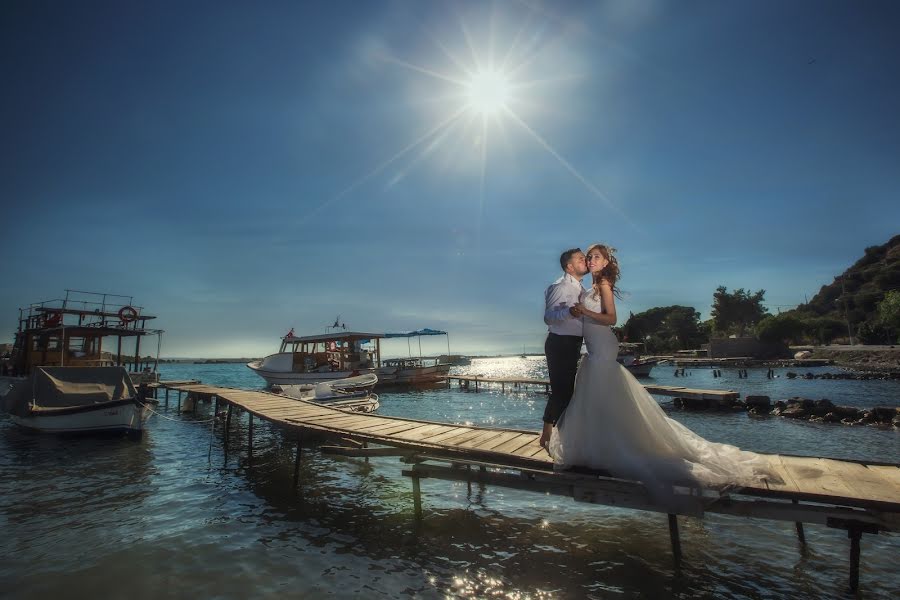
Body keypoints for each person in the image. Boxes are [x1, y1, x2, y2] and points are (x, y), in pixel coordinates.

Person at [548, 243, 777, 506]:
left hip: (603, 346)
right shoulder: (589, 287)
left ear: (606, 262)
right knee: (597, 397)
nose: (590, 260)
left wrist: (585, 311)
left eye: (596, 257)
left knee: (602, 392)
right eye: (589, 257)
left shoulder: (605, 285)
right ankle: (600, 445)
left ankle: (616, 447)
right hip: (594, 348)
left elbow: (611, 318)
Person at [539, 248, 588, 450]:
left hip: (575, 343)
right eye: (580, 259)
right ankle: (557, 439)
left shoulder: (582, 289)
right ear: (569, 266)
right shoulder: (559, 286)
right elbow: (548, 317)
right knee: (563, 392)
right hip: (560, 343)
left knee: (565, 391)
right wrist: (569, 311)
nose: (584, 260)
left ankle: (552, 433)